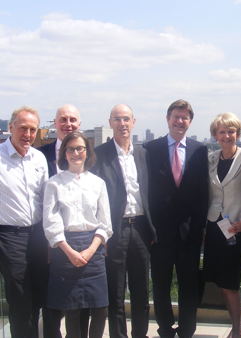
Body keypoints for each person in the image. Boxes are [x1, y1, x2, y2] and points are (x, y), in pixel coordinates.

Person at [145, 99, 208, 338]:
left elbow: (204, 193)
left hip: (189, 233)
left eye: (185, 118)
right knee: (160, 285)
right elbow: (146, 191)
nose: (180, 121)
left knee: (188, 286)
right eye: (176, 117)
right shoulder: (150, 149)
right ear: (167, 119)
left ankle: (187, 330)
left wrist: (200, 229)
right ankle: (164, 329)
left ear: (190, 122)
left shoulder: (199, 150)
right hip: (159, 233)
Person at [92, 104, 155, 338]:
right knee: (115, 292)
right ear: (110, 123)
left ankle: (140, 334)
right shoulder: (99, 154)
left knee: (141, 290)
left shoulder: (143, 154)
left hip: (139, 228)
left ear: (134, 122)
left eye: (126, 119)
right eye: (117, 119)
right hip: (114, 230)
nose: (122, 124)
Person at [43, 131, 113, 338]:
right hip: (65, 249)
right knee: (72, 310)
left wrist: (91, 250)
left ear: (87, 152)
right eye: (71, 149)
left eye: (80, 148)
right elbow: (50, 223)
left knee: (100, 309)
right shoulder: (54, 184)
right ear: (64, 153)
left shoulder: (98, 183)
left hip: (94, 248)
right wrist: (70, 252)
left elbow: (105, 222)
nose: (75, 153)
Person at [38, 103, 89, 338]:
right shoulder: (40, 155)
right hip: (48, 241)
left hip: (81, 241)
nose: (68, 124)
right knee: (51, 301)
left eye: (73, 120)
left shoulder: (88, 156)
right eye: (63, 120)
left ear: (79, 125)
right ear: (55, 123)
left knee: (80, 301)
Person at [0, 106, 49, 338]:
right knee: (19, 296)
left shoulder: (38, 158)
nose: (28, 134)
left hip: (38, 235)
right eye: (23, 128)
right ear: (10, 128)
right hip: (10, 236)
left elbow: (45, 199)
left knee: (39, 291)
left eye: (32, 129)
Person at [204, 113, 241, 338]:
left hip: (237, 228)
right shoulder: (211, 158)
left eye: (231, 131)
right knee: (221, 281)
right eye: (222, 132)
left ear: (238, 134)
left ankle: (238, 328)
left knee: (231, 282)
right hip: (215, 227)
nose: (227, 136)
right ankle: (237, 325)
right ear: (215, 135)